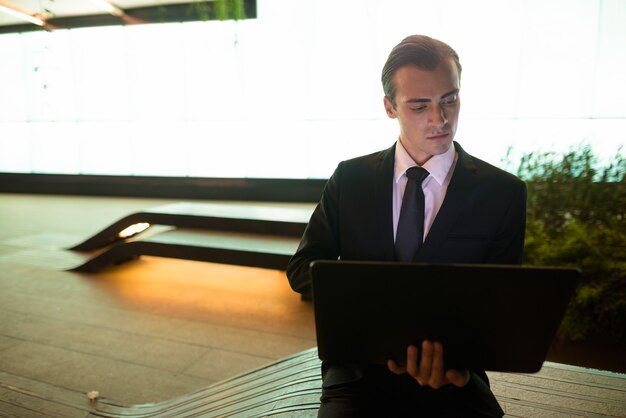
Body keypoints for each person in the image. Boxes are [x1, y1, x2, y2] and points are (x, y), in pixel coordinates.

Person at [286, 35, 526, 417]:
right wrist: (377, 303)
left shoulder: (504, 193)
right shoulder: (350, 179)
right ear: (389, 107)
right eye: (420, 106)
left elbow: (497, 305)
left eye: (450, 99)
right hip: (358, 374)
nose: (440, 119)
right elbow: (301, 268)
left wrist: (457, 366)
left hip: (454, 374)